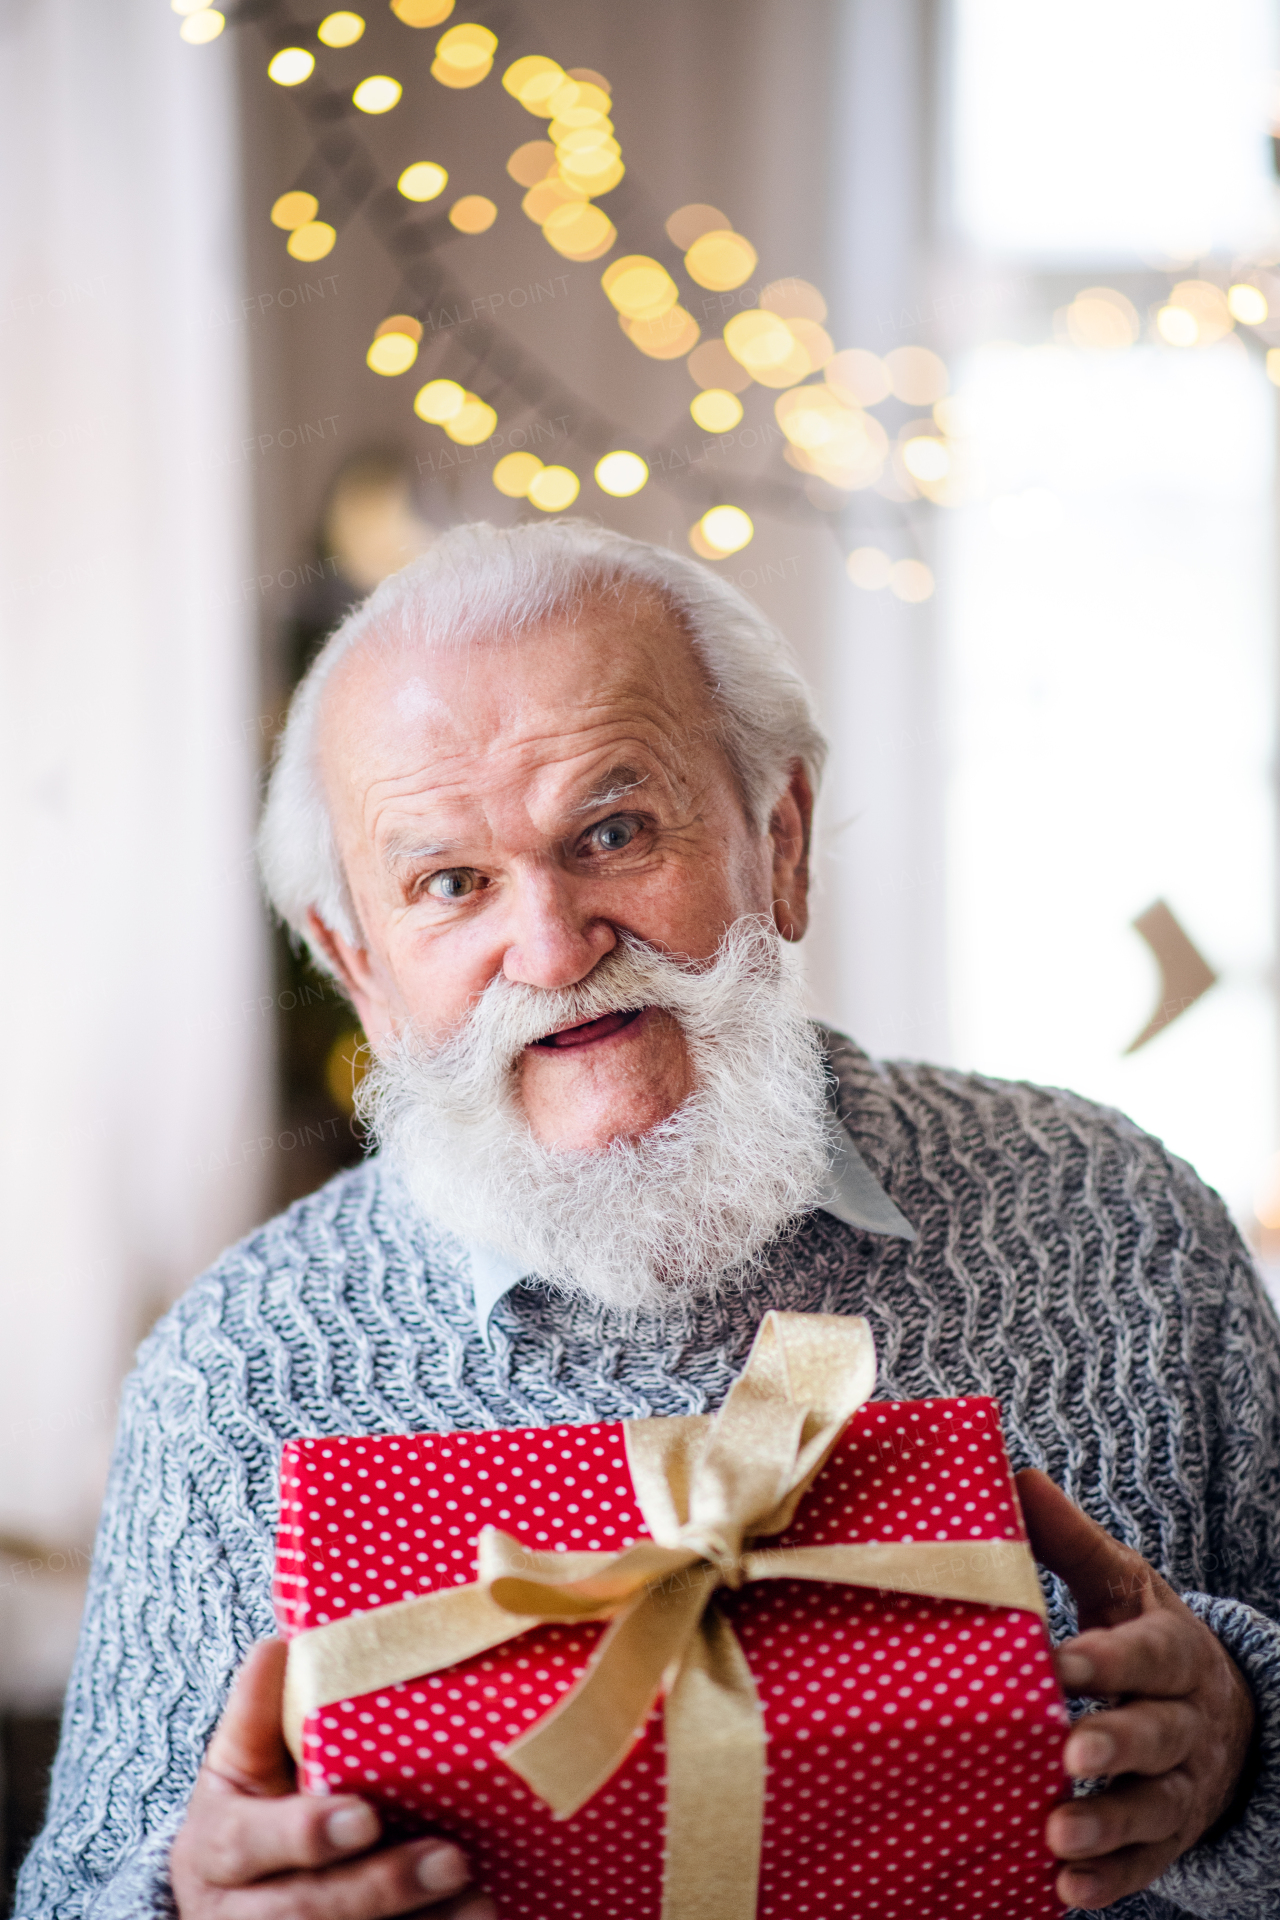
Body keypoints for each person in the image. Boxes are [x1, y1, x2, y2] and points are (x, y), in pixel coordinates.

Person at [16, 521, 1280, 1920]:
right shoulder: (235, 1379)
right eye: (452, 881)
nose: (554, 948)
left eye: (614, 832)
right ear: (358, 964)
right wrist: (189, 1906)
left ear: (779, 837)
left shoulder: (1124, 1225)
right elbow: (72, 1895)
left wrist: (1246, 1747)